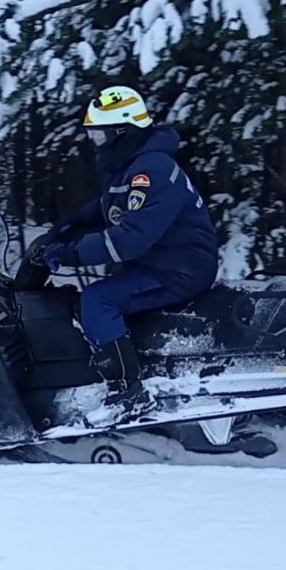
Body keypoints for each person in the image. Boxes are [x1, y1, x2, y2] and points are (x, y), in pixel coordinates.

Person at [41, 85, 219, 425]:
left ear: (122, 132)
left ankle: (129, 392)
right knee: (96, 296)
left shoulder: (149, 169)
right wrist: (70, 224)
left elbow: (130, 239)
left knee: (98, 300)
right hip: (163, 261)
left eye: (99, 135)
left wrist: (70, 253)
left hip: (179, 268)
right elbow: (110, 207)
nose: (96, 143)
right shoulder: (135, 165)